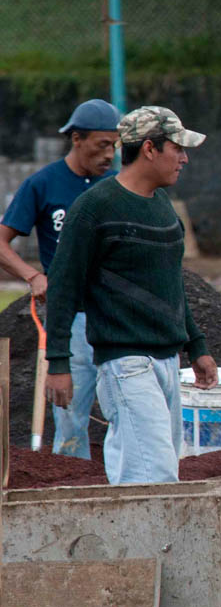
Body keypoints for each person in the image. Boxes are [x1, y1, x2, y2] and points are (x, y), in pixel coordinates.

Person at [44, 106, 220, 484]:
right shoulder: (94, 208)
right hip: (125, 362)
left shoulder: (161, 205)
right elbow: (62, 286)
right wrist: (58, 363)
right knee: (151, 473)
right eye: (178, 148)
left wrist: (197, 345)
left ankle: (138, 540)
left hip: (167, 361)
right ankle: (148, 543)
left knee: (155, 466)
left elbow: (171, 283)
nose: (185, 158)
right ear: (150, 150)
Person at [0, 98, 120, 457]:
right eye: (102, 145)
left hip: (119, 317)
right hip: (72, 319)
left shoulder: (117, 185)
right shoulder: (43, 184)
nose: (110, 154)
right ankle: (73, 486)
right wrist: (33, 275)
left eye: (114, 145)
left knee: (128, 413)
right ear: (77, 139)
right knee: (70, 419)